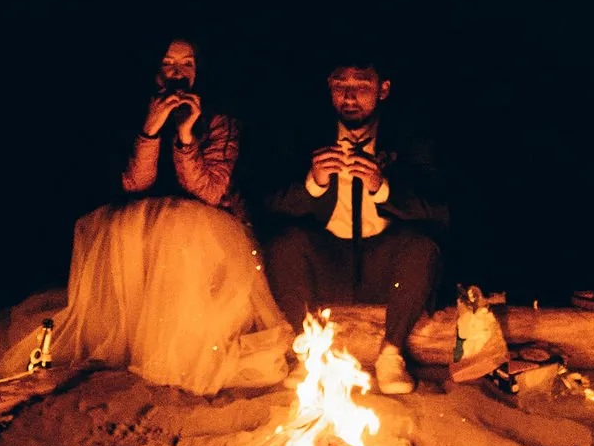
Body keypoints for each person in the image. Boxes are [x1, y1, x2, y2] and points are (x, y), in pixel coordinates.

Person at [44, 37, 291, 396]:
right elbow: (133, 183)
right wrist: (151, 128)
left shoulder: (220, 119)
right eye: (168, 64)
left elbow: (209, 191)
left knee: (179, 227)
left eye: (187, 64)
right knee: (123, 227)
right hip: (145, 216)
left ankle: (180, 356)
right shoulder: (131, 110)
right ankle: (133, 348)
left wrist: (186, 135)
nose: (178, 73)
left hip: (209, 223)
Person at [262, 56, 447, 394]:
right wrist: (312, 185)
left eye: (361, 85)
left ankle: (392, 354)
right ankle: (311, 355)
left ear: (383, 90)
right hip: (328, 263)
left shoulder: (411, 141)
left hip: (384, 266)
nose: (349, 97)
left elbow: (440, 212)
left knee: (421, 247)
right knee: (283, 244)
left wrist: (383, 189)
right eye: (339, 85)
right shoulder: (303, 136)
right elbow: (266, 205)